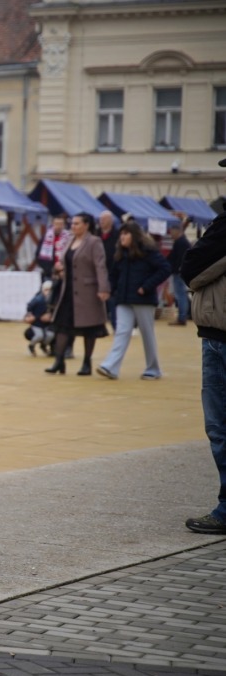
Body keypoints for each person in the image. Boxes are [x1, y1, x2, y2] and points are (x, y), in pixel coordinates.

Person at [181, 157, 226, 535]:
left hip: (220, 335)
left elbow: (192, 268)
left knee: (221, 426)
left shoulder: (225, 225)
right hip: (217, 332)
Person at [95, 221, 170, 381]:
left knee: (147, 334)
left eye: (126, 234)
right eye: (121, 234)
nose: (122, 237)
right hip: (123, 299)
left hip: (143, 299)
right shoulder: (120, 254)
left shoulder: (148, 252)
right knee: (122, 331)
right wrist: (109, 290)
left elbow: (165, 269)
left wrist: (146, 286)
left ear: (134, 236)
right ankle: (110, 366)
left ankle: (153, 369)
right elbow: (114, 275)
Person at [45, 212, 110, 376]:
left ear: (86, 225)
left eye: (76, 223)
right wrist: (58, 269)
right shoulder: (69, 240)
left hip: (88, 291)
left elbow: (100, 266)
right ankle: (59, 361)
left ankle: (86, 363)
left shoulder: (94, 242)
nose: (72, 226)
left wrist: (103, 288)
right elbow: (64, 262)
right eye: (72, 223)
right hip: (67, 290)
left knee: (89, 328)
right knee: (62, 325)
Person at [98, 210, 120, 329]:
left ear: (111, 221)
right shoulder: (96, 234)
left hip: (112, 272)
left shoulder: (117, 235)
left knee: (112, 300)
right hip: (98, 272)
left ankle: (115, 325)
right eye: (101, 219)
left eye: (104, 219)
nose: (101, 221)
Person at [167, 223, 192, 326]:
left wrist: (176, 269)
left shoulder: (180, 242)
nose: (170, 233)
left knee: (180, 294)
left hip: (179, 272)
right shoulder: (182, 241)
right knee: (182, 294)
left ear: (177, 230)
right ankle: (185, 314)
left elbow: (179, 258)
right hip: (180, 271)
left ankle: (182, 317)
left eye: (172, 231)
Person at [23, 280, 55, 356]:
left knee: (51, 335)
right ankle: (31, 346)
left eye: (50, 290)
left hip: (47, 324)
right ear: (42, 290)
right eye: (46, 290)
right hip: (36, 323)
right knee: (39, 335)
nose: (48, 292)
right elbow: (29, 307)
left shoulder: (54, 300)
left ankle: (43, 345)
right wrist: (29, 315)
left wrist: (50, 315)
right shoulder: (38, 299)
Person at [36, 215, 71, 282]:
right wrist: (51, 269)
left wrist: (62, 269)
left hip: (65, 272)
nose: (58, 226)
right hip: (49, 272)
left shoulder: (69, 237)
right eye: (56, 224)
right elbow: (38, 255)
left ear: (64, 225)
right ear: (52, 224)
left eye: (61, 224)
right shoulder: (46, 237)